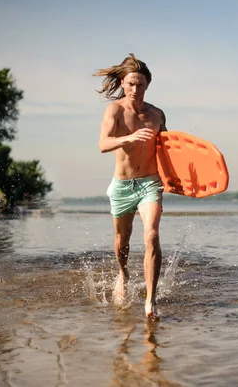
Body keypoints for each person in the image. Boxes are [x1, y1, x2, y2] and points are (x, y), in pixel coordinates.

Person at [94, 53, 167, 318]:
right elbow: (102, 144)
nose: (135, 89)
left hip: (150, 183)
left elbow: (169, 151)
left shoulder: (157, 115)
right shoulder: (114, 111)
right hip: (123, 185)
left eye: (141, 85)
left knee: (152, 235)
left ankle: (150, 301)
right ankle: (123, 275)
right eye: (131, 84)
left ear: (148, 85)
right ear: (123, 83)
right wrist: (130, 137)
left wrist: (180, 180)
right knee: (122, 240)